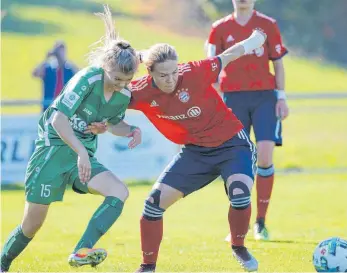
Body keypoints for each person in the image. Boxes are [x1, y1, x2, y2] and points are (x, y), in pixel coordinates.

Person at [90, 30, 266, 272]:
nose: (171, 79)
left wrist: (252, 41)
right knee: (152, 205)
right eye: (163, 75)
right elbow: (109, 108)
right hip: (195, 153)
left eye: (174, 72)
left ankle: (238, 246)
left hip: (232, 146)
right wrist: (103, 125)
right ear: (149, 73)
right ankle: (148, 266)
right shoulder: (138, 92)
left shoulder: (194, 71)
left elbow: (228, 55)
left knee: (239, 194)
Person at [0, 5, 141, 272]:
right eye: (116, 78)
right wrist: (83, 153)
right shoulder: (87, 78)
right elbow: (58, 119)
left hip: (81, 157)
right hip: (53, 154)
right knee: (32, 225)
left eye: (127, 80)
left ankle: (81, 250)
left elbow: (113, 124)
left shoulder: (122, 95)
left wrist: (132, 130)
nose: (121, 85)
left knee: (119, 191)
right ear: (105, 66)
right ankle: (3, 263)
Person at [206, 0, 289, 241]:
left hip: (265, 97)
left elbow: (278, 63)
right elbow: (212, 67)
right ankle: (237, 225)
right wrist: (214, 99)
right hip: (233, 99)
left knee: (264, 157)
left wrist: (281, 97)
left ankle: (260, 223)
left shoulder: (268, 25)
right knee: (237, 162)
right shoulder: (219, 28)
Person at [32, 41, 78, 112]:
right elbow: (35, 73)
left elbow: (79, 74)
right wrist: (46, 59)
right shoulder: (49, 69)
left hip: (64, 107)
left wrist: (65, 60)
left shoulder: (69, 69)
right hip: (49, 107)